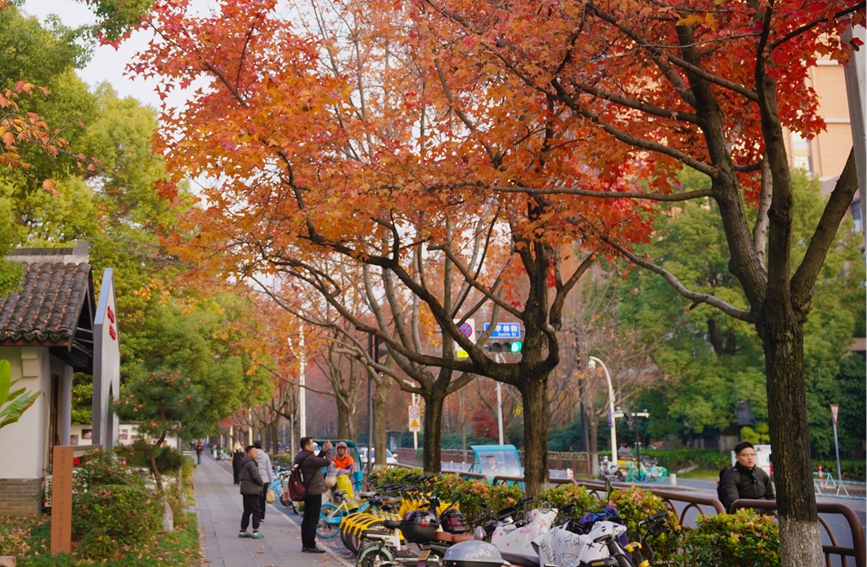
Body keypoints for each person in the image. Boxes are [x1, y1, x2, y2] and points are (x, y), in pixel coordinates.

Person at [295, 437, 333, 553]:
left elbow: (316, 461)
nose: (313, 446)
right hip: (314, 491)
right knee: (313, 519)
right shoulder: (309, 458)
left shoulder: (304, 456)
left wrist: (323, 451)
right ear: (307, 446)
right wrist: (330, 450)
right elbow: (327, 461)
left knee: (307, 518)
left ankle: (306, 544)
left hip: (308, 491)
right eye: (311, 444)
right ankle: (310, 545)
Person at [719, 441, 775, 512]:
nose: (750, 458)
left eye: (752, 454)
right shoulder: (731, 475)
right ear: (737, 457)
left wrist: (770, 512)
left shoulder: (760, 472)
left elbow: (770, 496)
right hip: (743, 517)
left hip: (764, 515)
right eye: (745, 455)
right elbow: (732, 500)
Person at [238, 445, 264, 539]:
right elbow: (256, 476)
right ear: (249, 453)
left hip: (245, 489)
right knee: (257, 510)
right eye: (254, 452)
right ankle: (255, 531)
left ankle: (243, 530)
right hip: (252, 490)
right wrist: (262, 484)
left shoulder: (245, 463)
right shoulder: (251, 464)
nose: (256, 454)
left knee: (247, 511)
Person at [253, 440, 274, 522]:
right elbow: (269, 469)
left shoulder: (253, 455)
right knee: (262, 499)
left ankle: (255, 514)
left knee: (255, 498)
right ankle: (261, 516)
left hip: (255, 479)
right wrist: (271, 481)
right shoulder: (265, 456)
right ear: (262, 446)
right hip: (264, 480)